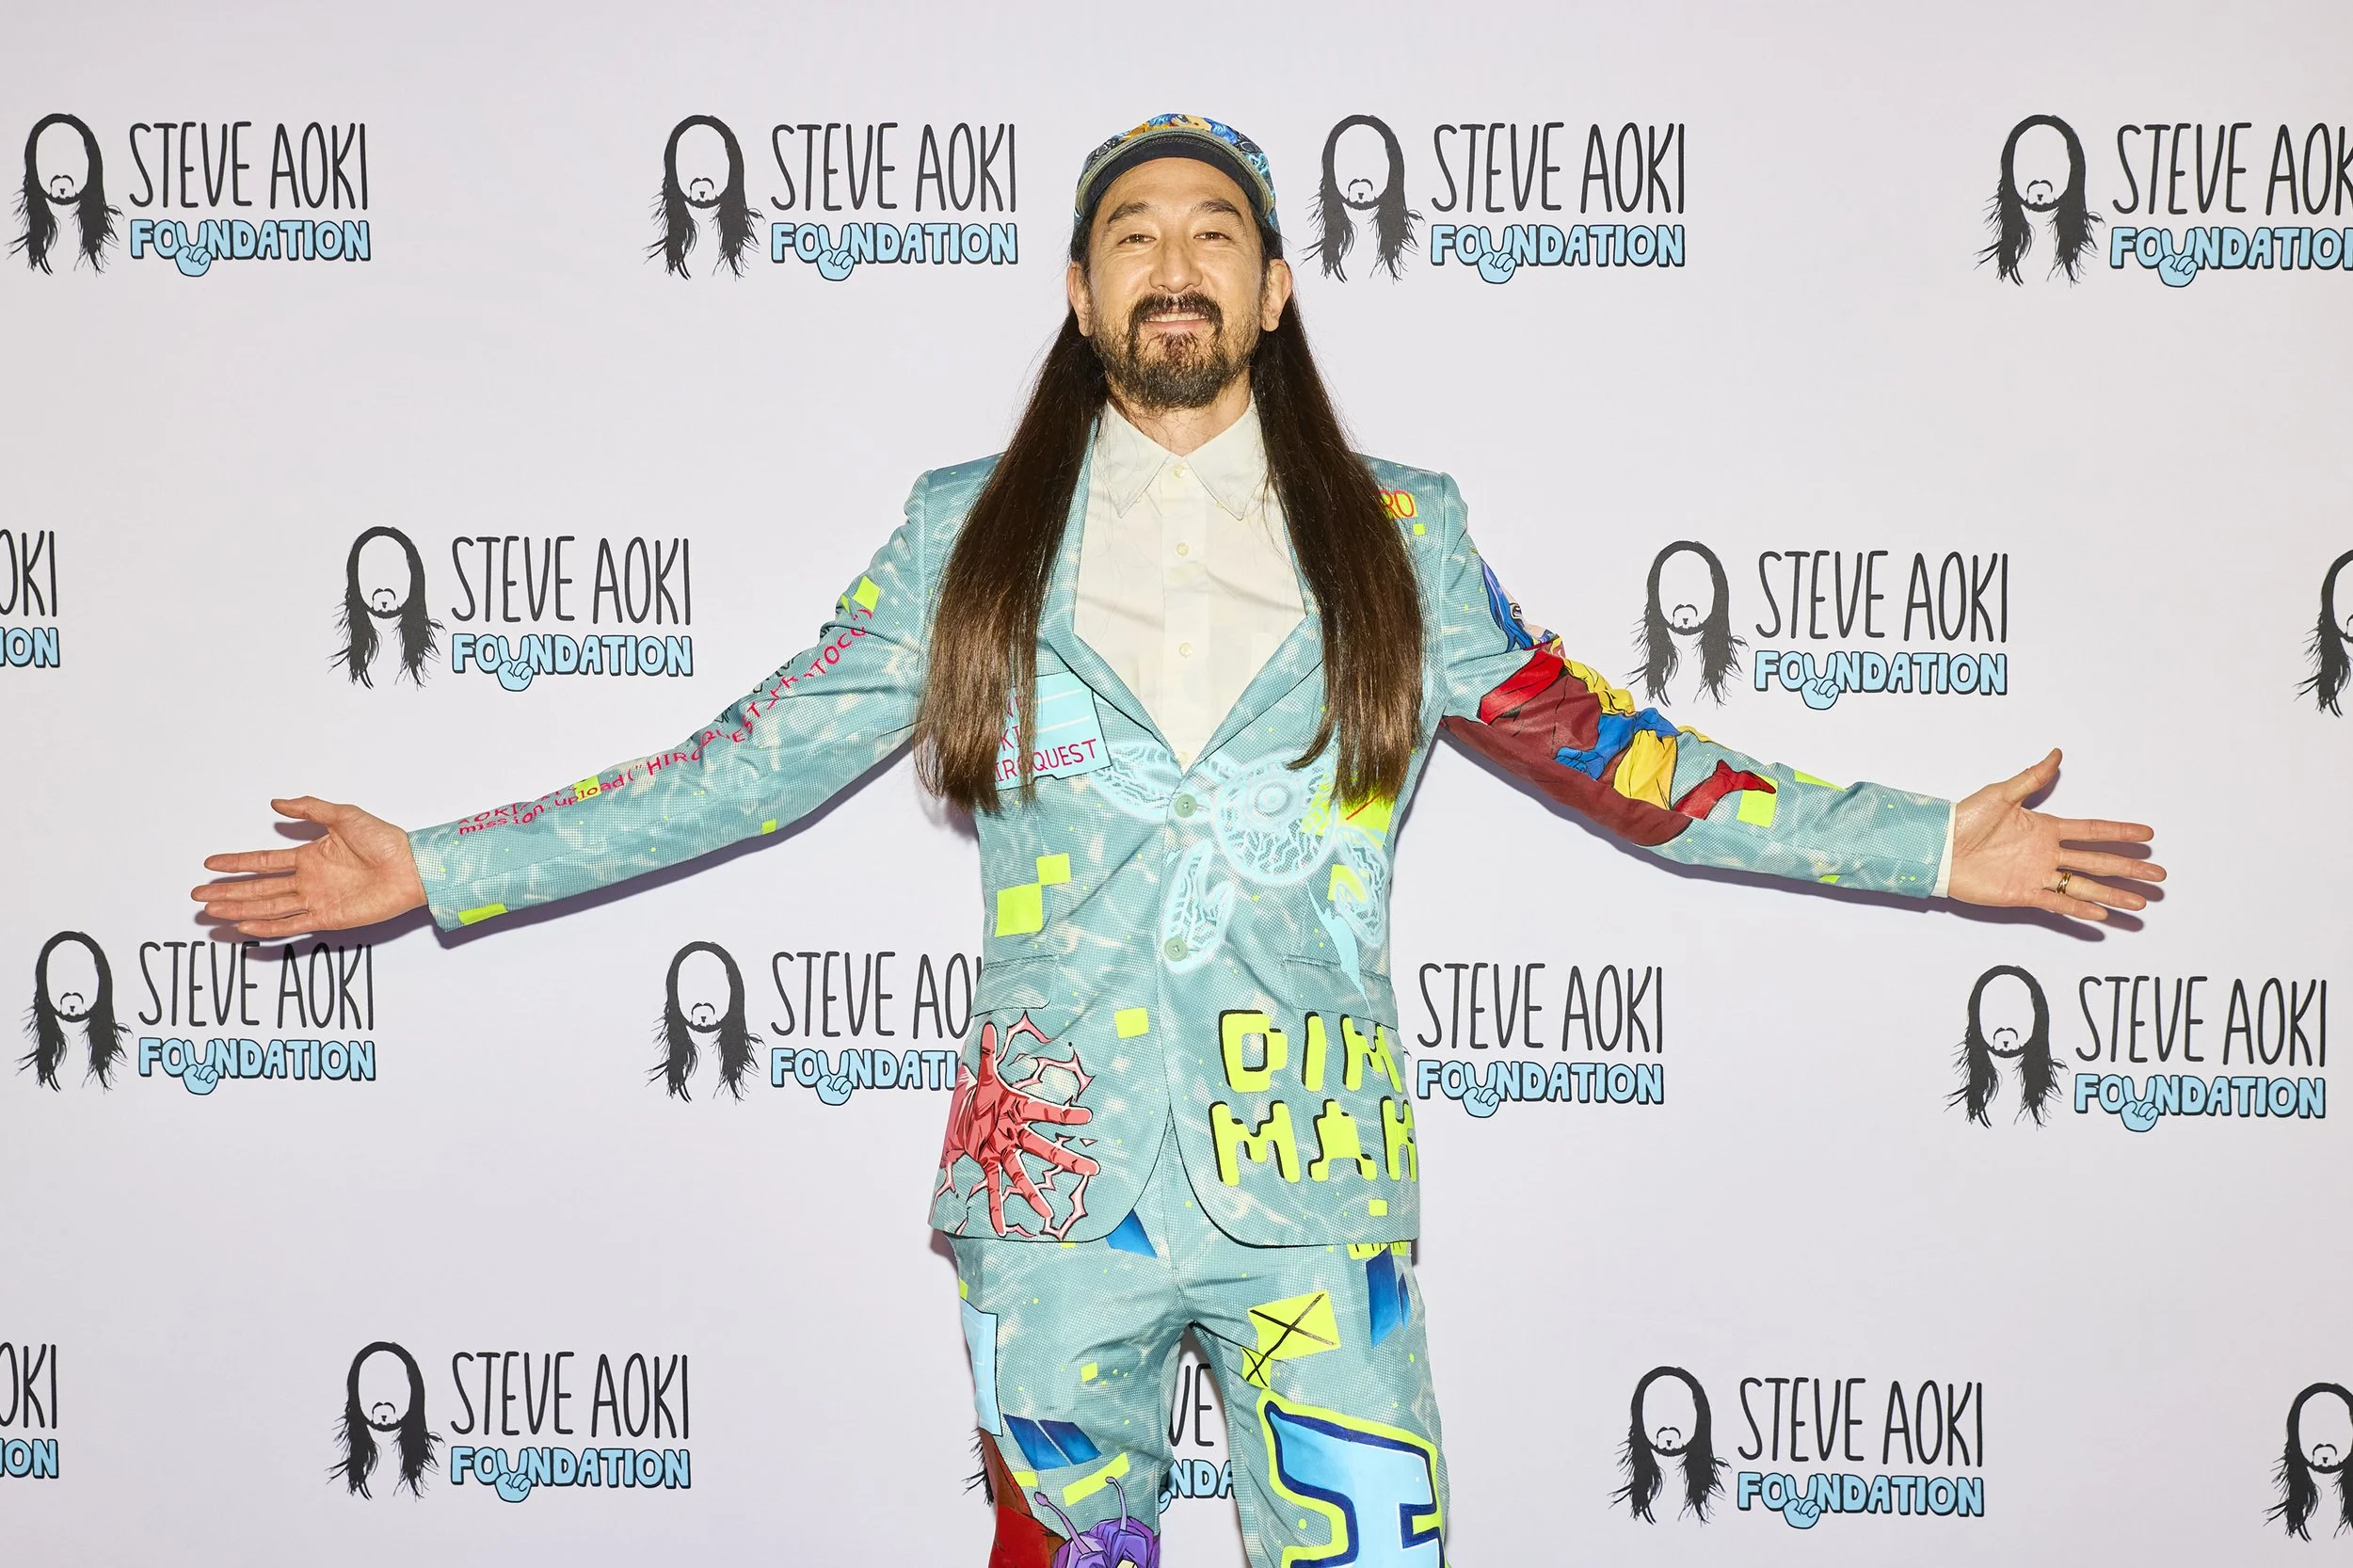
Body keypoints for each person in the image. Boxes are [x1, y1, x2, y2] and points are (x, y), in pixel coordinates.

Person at [193, 112, 2163, 1567]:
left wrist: (1928, 843)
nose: (1172, 262)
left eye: (1212, 232)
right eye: (1131, 234)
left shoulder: (1404, 535)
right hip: (1048, 1195)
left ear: (1273, 289)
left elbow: (1626, 760)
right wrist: (441, 864)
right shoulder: (963, 530)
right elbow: (750, 762)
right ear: (1078, 293)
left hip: (1316, 1186)